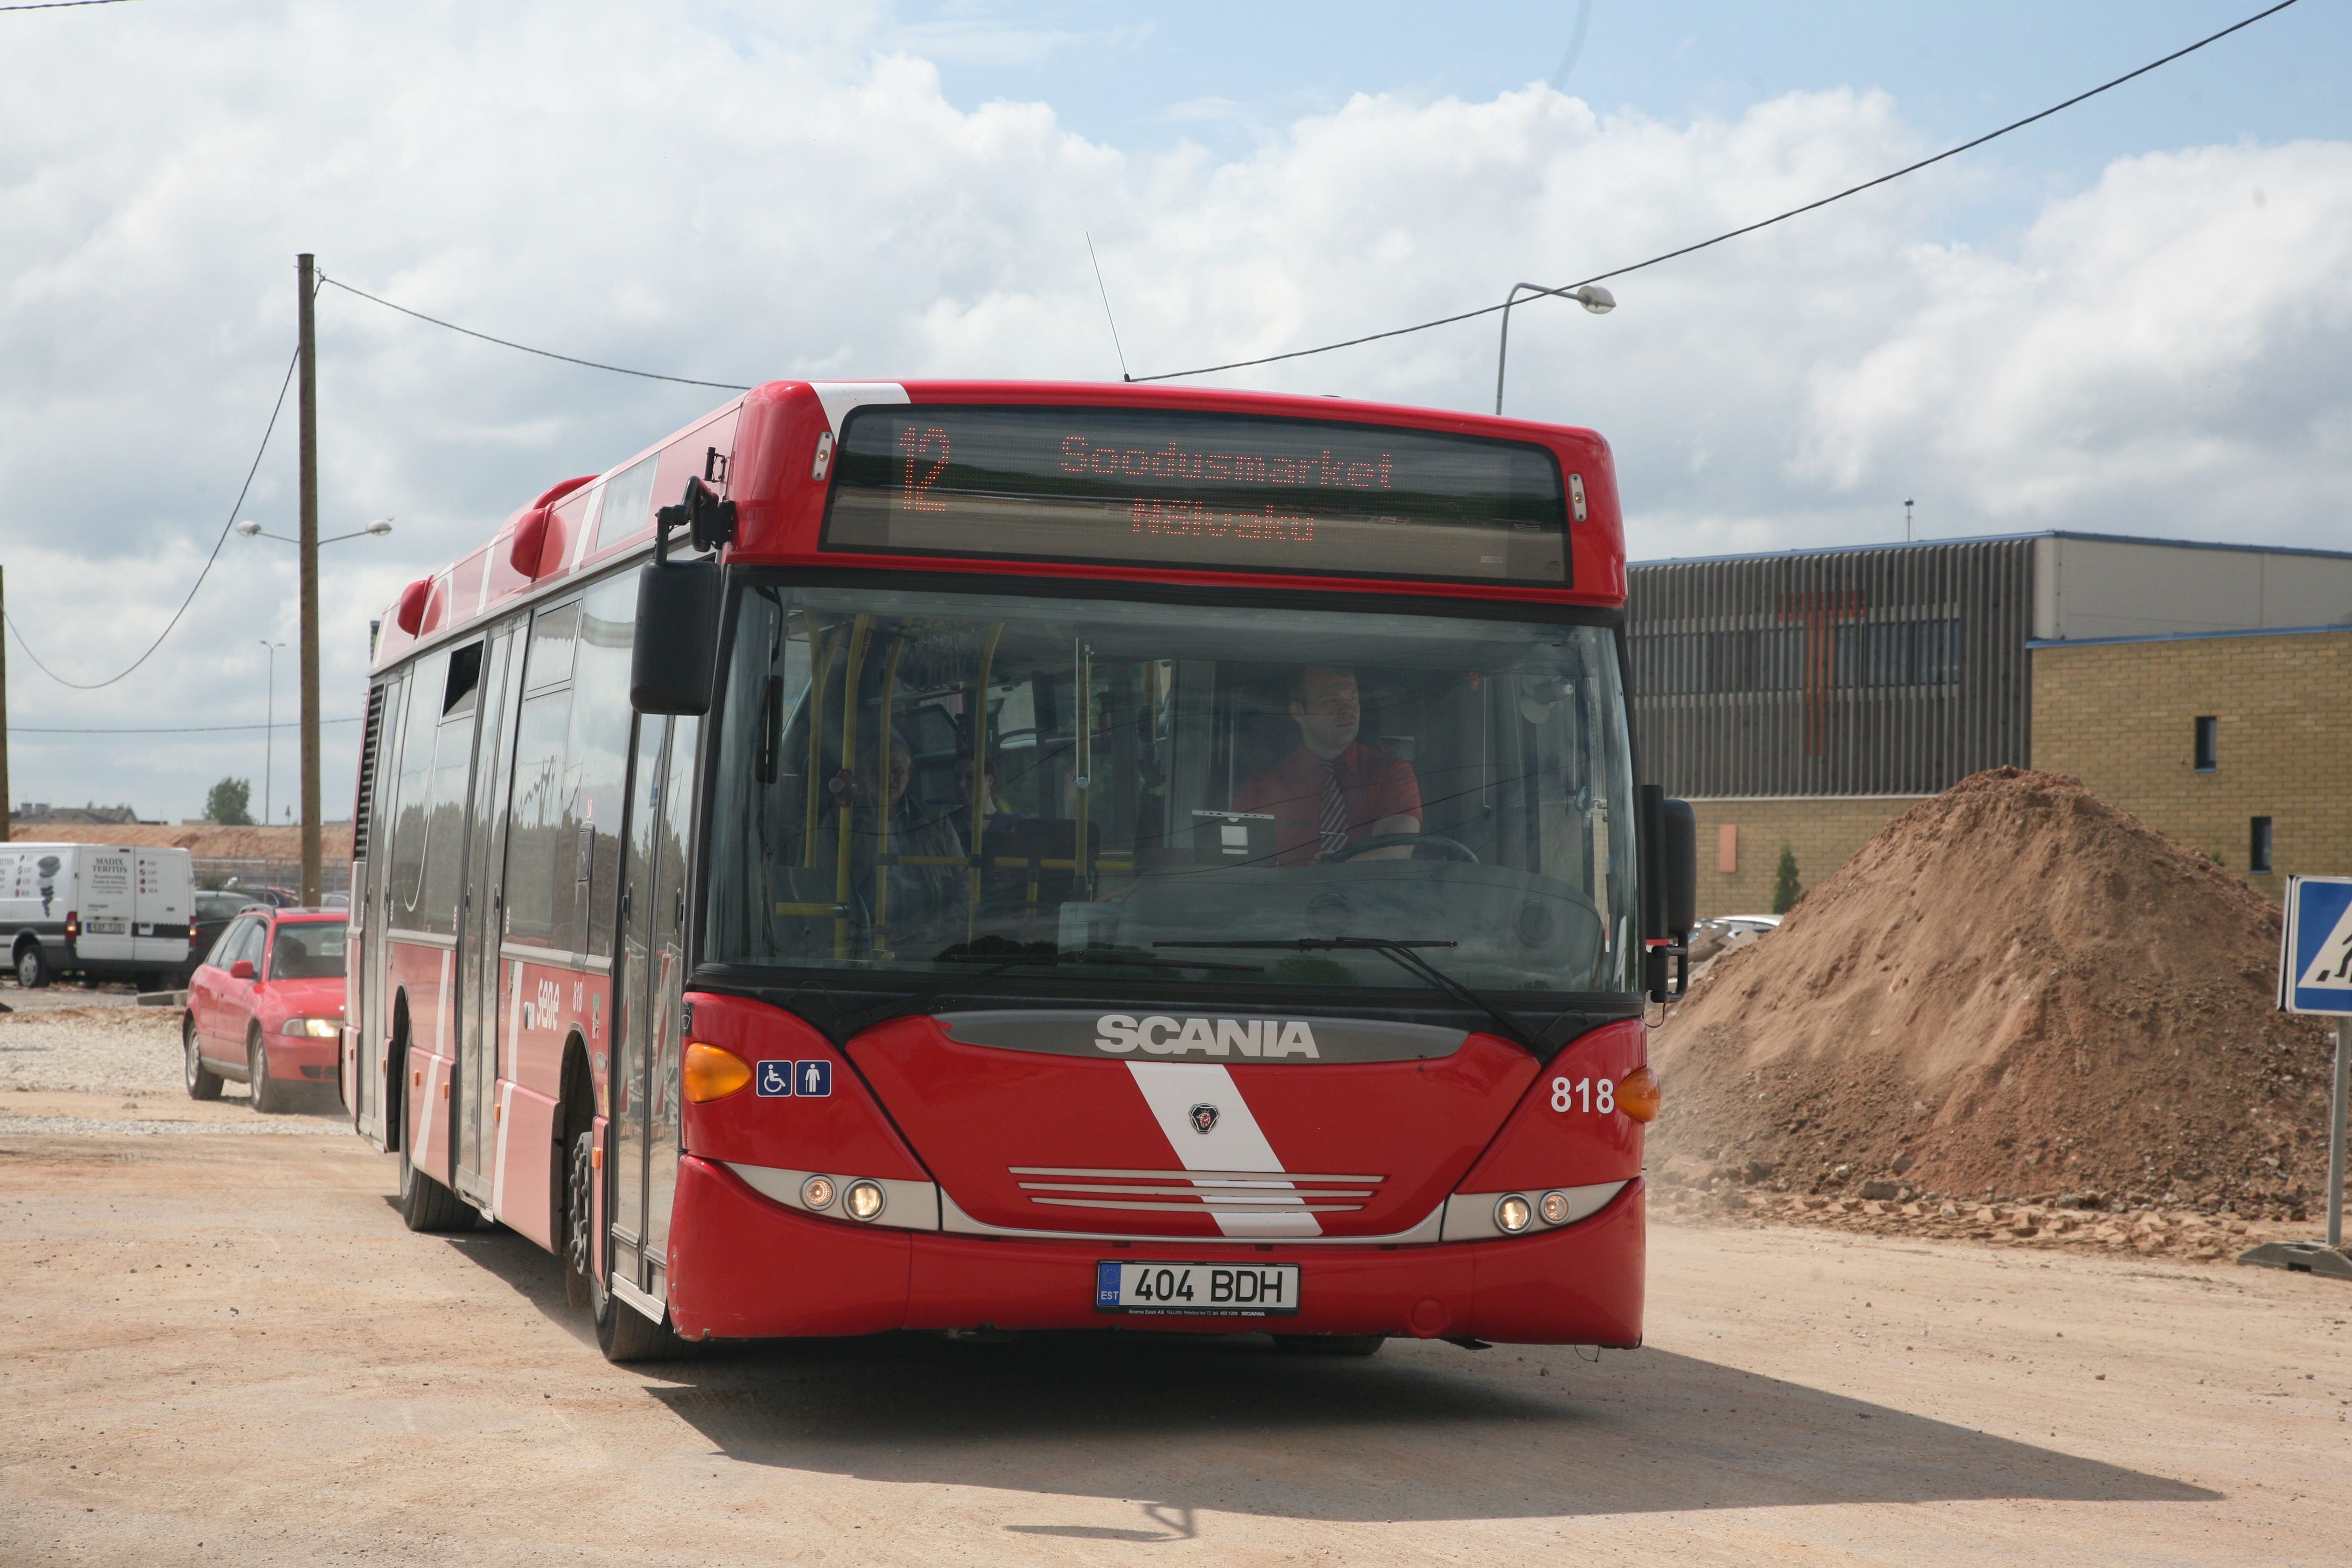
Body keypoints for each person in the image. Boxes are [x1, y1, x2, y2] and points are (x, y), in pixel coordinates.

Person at [1233, 664, 1421, 868]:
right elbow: (1236, 860)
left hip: (1366, 896)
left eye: (1353, 698)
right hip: (1284, 898)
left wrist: (1338, 867)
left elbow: (1397, 849)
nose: (1347, 709)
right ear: (1298, 712)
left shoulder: (1391, 774)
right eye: (1331, 700)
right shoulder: (1261, 787)